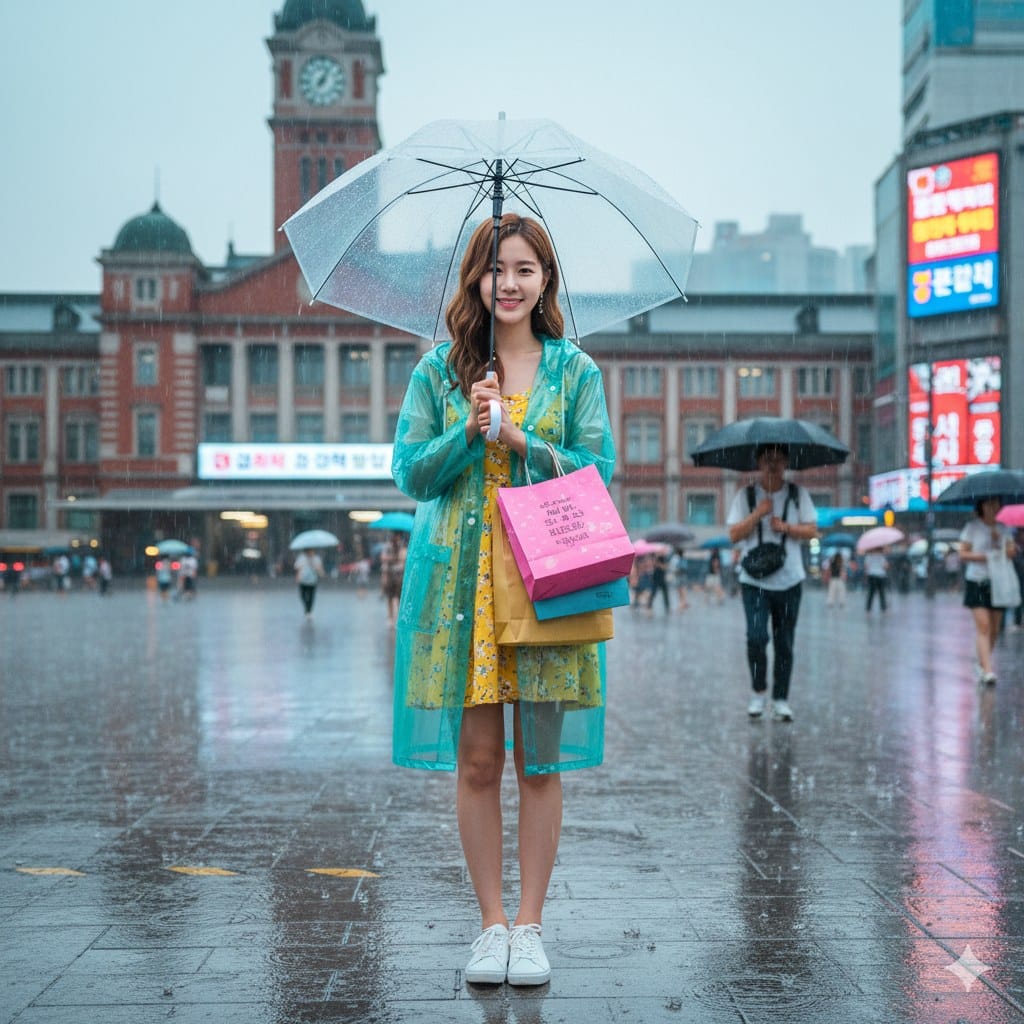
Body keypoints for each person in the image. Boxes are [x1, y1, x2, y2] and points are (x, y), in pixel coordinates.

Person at [390, 213, 615, 988]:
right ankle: (490, 926)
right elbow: (410, 473)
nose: (509, 284)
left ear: (546, 279)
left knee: (539, 763)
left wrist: (523, 443)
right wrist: (468, 431)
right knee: (480, 760)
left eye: (525, 268)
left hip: (548, 579)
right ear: (474, 282)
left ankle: (532, 924)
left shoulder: (574, 370)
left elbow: (600, 470)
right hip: (463, 590)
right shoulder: (438, 372)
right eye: (495, 269)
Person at [726, 444, 817, 722]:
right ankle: (758, 692)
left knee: (784, 642)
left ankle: (780, 699)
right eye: (767, 459)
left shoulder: (798, 494)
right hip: (754, 580)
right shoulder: (747, 495)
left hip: (790, 579)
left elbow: (812, 530)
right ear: (758, 462)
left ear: (787, 462)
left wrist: (786, 527)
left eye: (778, 460)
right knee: (756, 637)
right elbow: (733, 534)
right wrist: (758, 514)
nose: (773, 465)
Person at [959, 497, 1018, 685]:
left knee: (993, 629)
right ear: (981, 506)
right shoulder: (972, 527)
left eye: (995, 504)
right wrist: (985, 556)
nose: (992, 508)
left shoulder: (1003, 528)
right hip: (977, 580)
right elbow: (963, 554)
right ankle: (988, 669)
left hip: (998, 582)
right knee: (983, 627)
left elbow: (1009, 554)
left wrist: (1002, 544)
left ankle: (982, 663)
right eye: (988, 504)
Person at [379, 532, 407, 626]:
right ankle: (390, 618)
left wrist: (399, 557)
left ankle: (398, 618)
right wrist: (393, 558)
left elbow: (403, 560)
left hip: (399, 576)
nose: (396, 539)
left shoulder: (402, 548)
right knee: (390, 598)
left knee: (399, 598)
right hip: (390, 576)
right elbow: (383, 557)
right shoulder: (388, 547)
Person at [293, 548, 324, 618]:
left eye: (312, 550)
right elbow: (298, 568)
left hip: (312, 580)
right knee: (302, 595)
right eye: (310, 550)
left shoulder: (316, 559)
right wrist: (297, 577)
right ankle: (306, 608)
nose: (311, 552)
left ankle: (309, 611)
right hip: (303, 580)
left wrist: (320, 572)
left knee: (311, 596)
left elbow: (319, 568)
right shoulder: (301, 558)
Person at [863, 548, 889, 612]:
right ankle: (883, 607)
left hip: (872, 575)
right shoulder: (882, 556)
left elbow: (866, 567)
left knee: (871, 593)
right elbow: (885, 566)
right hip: (880, 575)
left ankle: (868, 608)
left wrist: (866, 576)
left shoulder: (868, 556)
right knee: (881, 592)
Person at [646, 550, 671, 614]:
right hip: (656, 579)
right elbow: (651, 567)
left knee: (665, 594)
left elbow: (665, 567)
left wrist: (659, 564)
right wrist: (655, 562)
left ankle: (667, 607)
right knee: (653, 593)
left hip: (662, 579)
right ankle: (649, 606)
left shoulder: (665, 559)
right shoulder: (655, 559)